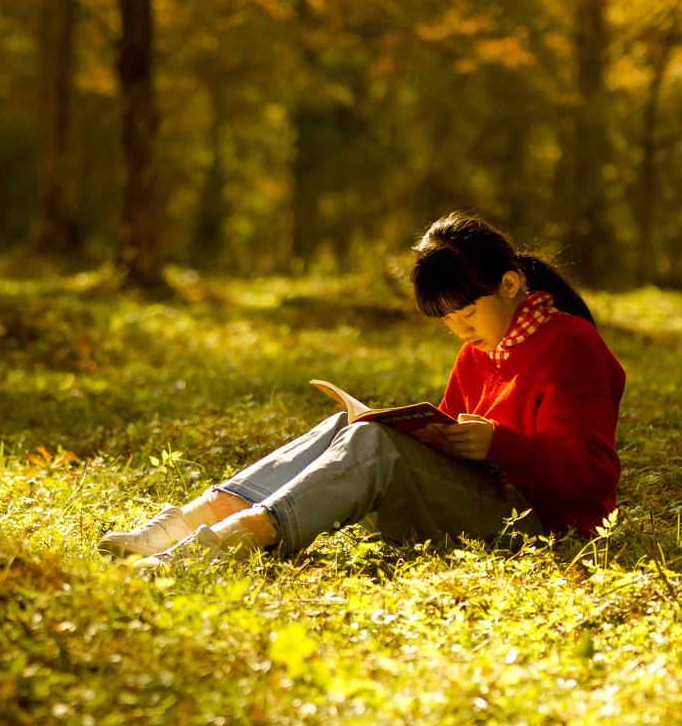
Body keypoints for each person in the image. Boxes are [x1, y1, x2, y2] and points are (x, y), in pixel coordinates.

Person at [98, 211, 628, 565]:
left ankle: (230, 542)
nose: (461, 329)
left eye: (467, 311)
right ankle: (186, 523)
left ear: (510, 285)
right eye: (447, 319)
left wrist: (501, 446)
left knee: (372, 443)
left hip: (537, 523)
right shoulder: (478, 351)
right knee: (350, 426)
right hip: (480, 497)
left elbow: (592, 479)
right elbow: (447, 440)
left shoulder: (569, 345)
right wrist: (433, 436)